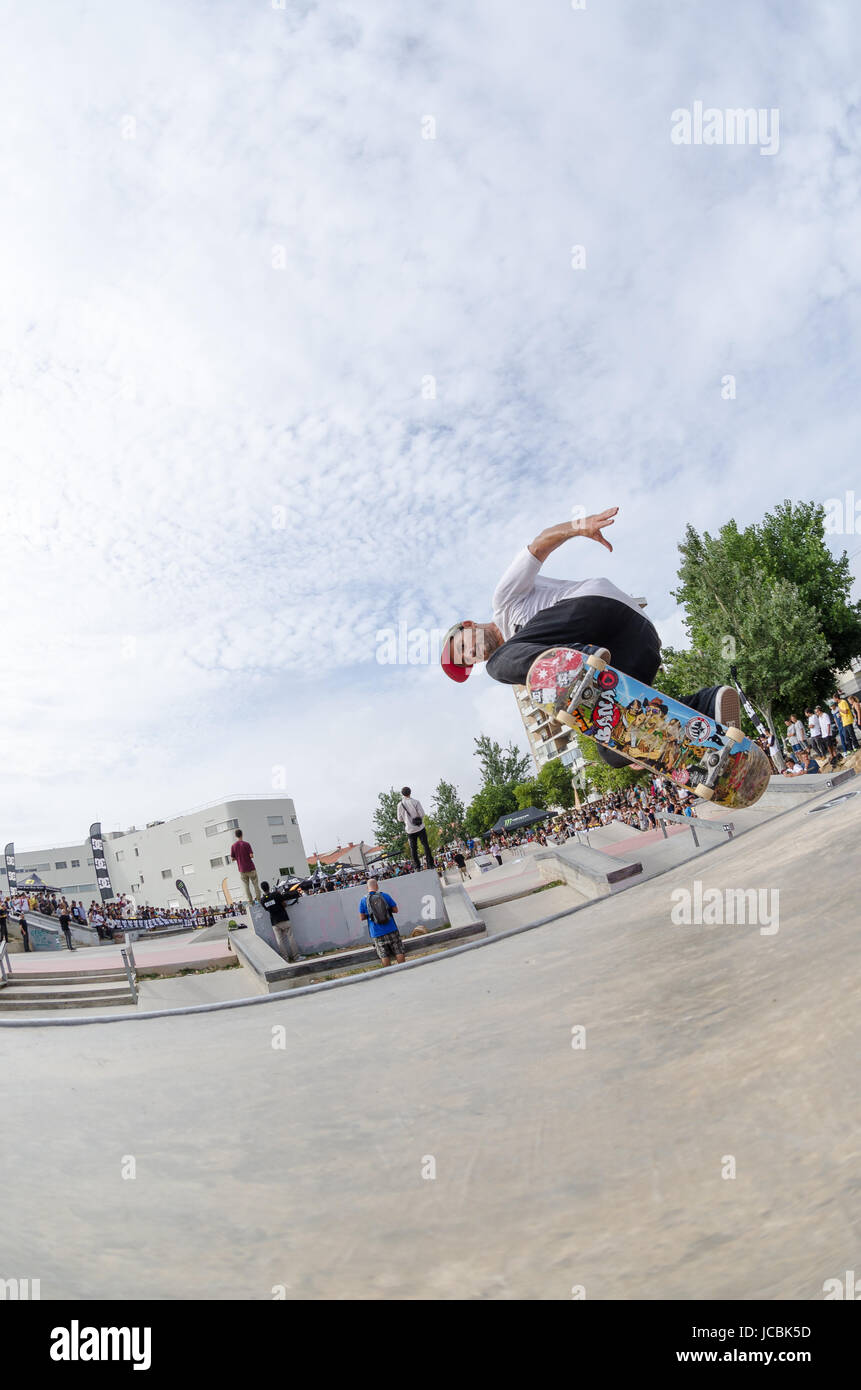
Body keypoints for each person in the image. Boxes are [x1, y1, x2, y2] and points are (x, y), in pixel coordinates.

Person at [440, 508, 743, 765]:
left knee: (499, 665)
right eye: (468, 659)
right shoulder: (521, 659)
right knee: (613, 745)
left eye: (465, 645)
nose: (473, 654)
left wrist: (578, 527)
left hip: (595, 607)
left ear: (469, 625)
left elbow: (539, 545)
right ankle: (707, 705)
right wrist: (640, 751)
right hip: (640, 638)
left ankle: (578, 660)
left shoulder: (503, 602)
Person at [359, 877, 405, 967]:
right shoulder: (385, 896)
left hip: (376, 932)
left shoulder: (363, 900)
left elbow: (362, 917)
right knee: (399, 951)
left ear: (367, 888)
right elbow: (396, 910)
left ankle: (388, 974)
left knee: (384, 955)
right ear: (377, 886)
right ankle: (404, 970)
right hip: (391, 929)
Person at [397, 786, 435, 871]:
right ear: (410, 792)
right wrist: (416, 818)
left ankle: (417, 866)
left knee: (413, 848)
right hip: (419, 827)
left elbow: (399, 819)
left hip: (409, 830)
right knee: (425, 845)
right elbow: (422, 814)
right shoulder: (415, 802)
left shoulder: (400, 805)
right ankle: (430, 864)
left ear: (402, 794)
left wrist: (407, 820)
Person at [259, 881, 299, 960]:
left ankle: (285, 958)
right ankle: (296, 957)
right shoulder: (276, 894)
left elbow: (267, 909)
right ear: (269, 886)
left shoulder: (262, 900)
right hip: (283, 918)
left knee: (279, 940)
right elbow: (284, 904)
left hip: (274, 922)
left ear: (262, 889)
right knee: (290, 937)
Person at [229, 829, 260, 903]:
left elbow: (232, 858)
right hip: (250, 867)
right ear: (242, 834)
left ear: (236, 836)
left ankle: (250, 901)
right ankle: (259, 899)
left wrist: (239, 857)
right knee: (255, 884)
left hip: (242, 869)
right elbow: (251, 855)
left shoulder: (233, 846)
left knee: (246, 886)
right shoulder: (246, 844)